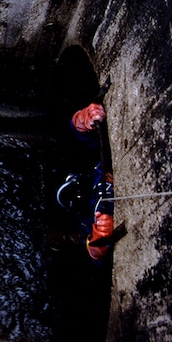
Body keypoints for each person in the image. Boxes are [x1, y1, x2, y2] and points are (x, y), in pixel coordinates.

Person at [55, 102, 116, 261]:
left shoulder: (92, 171)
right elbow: (95, 253)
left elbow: (77, 134)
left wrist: (83, 119)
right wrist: (101, 238)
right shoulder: (89, 221)